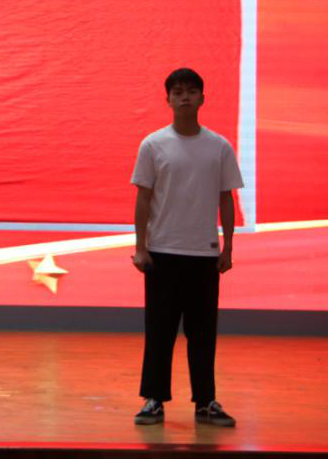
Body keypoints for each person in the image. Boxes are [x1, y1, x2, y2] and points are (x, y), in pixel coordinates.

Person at [130, 67, 241, 427]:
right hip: (162, 252)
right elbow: (143, 198)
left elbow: (226, 198)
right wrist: (141, 247)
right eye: (177, 92)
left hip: (204, 254)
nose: (184, 97)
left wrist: (227, 248)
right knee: (159, 330)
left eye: (191, 91)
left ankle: (205, 401)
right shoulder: (153, 144)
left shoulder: (219, 146)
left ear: (202, 98)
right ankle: (153, 399)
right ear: (168, 100)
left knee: (203, 333)